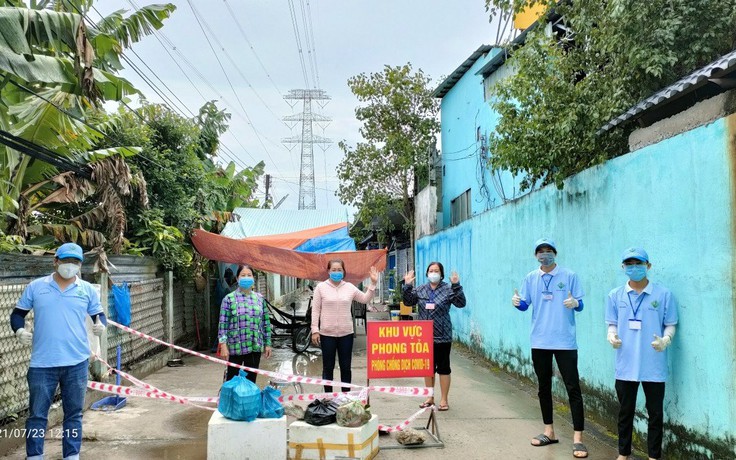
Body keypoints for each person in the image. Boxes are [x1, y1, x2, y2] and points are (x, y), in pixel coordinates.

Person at [9, 242, 106, 460]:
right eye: (66, 261)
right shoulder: (36, 287)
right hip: (42, 364)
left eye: (75, 262)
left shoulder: (87, 290)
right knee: (37, 415)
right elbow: (17, 314)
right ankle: (34, 455)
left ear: (80, 265)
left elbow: (99, 315)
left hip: (76, 363)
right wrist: (19, 330)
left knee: (73, 414)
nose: (70, 266)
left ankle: (71, 455)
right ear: (55, 262)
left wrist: (101, 325)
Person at [512, 238, 588, 458]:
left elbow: (580, 304)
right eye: (540, 251)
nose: (544, 254)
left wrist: (576, 303)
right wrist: (518, 303)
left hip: (565, 341)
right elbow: (526, 305)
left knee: (573, 388)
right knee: (543, 387)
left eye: (548, 251)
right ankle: (549, 431)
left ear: (555, 253)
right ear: (536, 255)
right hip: (540, 341)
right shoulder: (531, 278)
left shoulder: (569, 276)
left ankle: (578, 439)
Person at [606, 248, 678, 460]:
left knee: (655, 414)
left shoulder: (663, 295)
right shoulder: (615, 295)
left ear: (648, 266)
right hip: (625, 363)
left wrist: (666, 340)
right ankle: (623, 454)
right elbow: (611, 324)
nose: (634, 267)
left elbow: (670, 324)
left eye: (639, 263)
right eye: (629, 264)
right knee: (625, 412)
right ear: (623, 267)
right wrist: (611, 336)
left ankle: (654, 456)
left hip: (653, 364)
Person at [402, 262, 466, 412]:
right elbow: (408, 301)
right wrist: (407, 285)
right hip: (424, 336)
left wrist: (456, 285)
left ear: (441, 274)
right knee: (427, 368)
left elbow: (461, 303)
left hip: (442, 335)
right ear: (426, 273)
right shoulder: (421, 289)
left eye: (436, 271)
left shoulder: (448, 289)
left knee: (443, 368)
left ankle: (444, 399)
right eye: (431, 271)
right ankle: (429, 397)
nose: (433, 273)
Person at [311, 260, 378, 392]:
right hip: (327, 334)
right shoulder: (321, 288)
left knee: (346, 367)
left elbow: (365, 299)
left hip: (346, 334)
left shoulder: (350, 287)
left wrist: (373, 283)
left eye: (339, 270)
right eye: (334, 270)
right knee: (328, 367)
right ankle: (328, 398)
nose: (336, 272)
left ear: (344, 271)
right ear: (328, 271)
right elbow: (316, 310)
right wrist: (315, 330)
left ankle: (345, 397)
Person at [217, 265, 272, 383]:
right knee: (232, 381)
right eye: (243, 275)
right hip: (235, 348)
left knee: (250, 382)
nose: (246, 278)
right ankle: (231, 401)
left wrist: (267, 343)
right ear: (237, 278)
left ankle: (248, 401)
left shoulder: (259, 299)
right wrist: (223, 345)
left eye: (249, 275)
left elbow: (265, 323)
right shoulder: (229, 299)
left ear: (253, 278)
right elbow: (223, 324)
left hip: (254, 347)